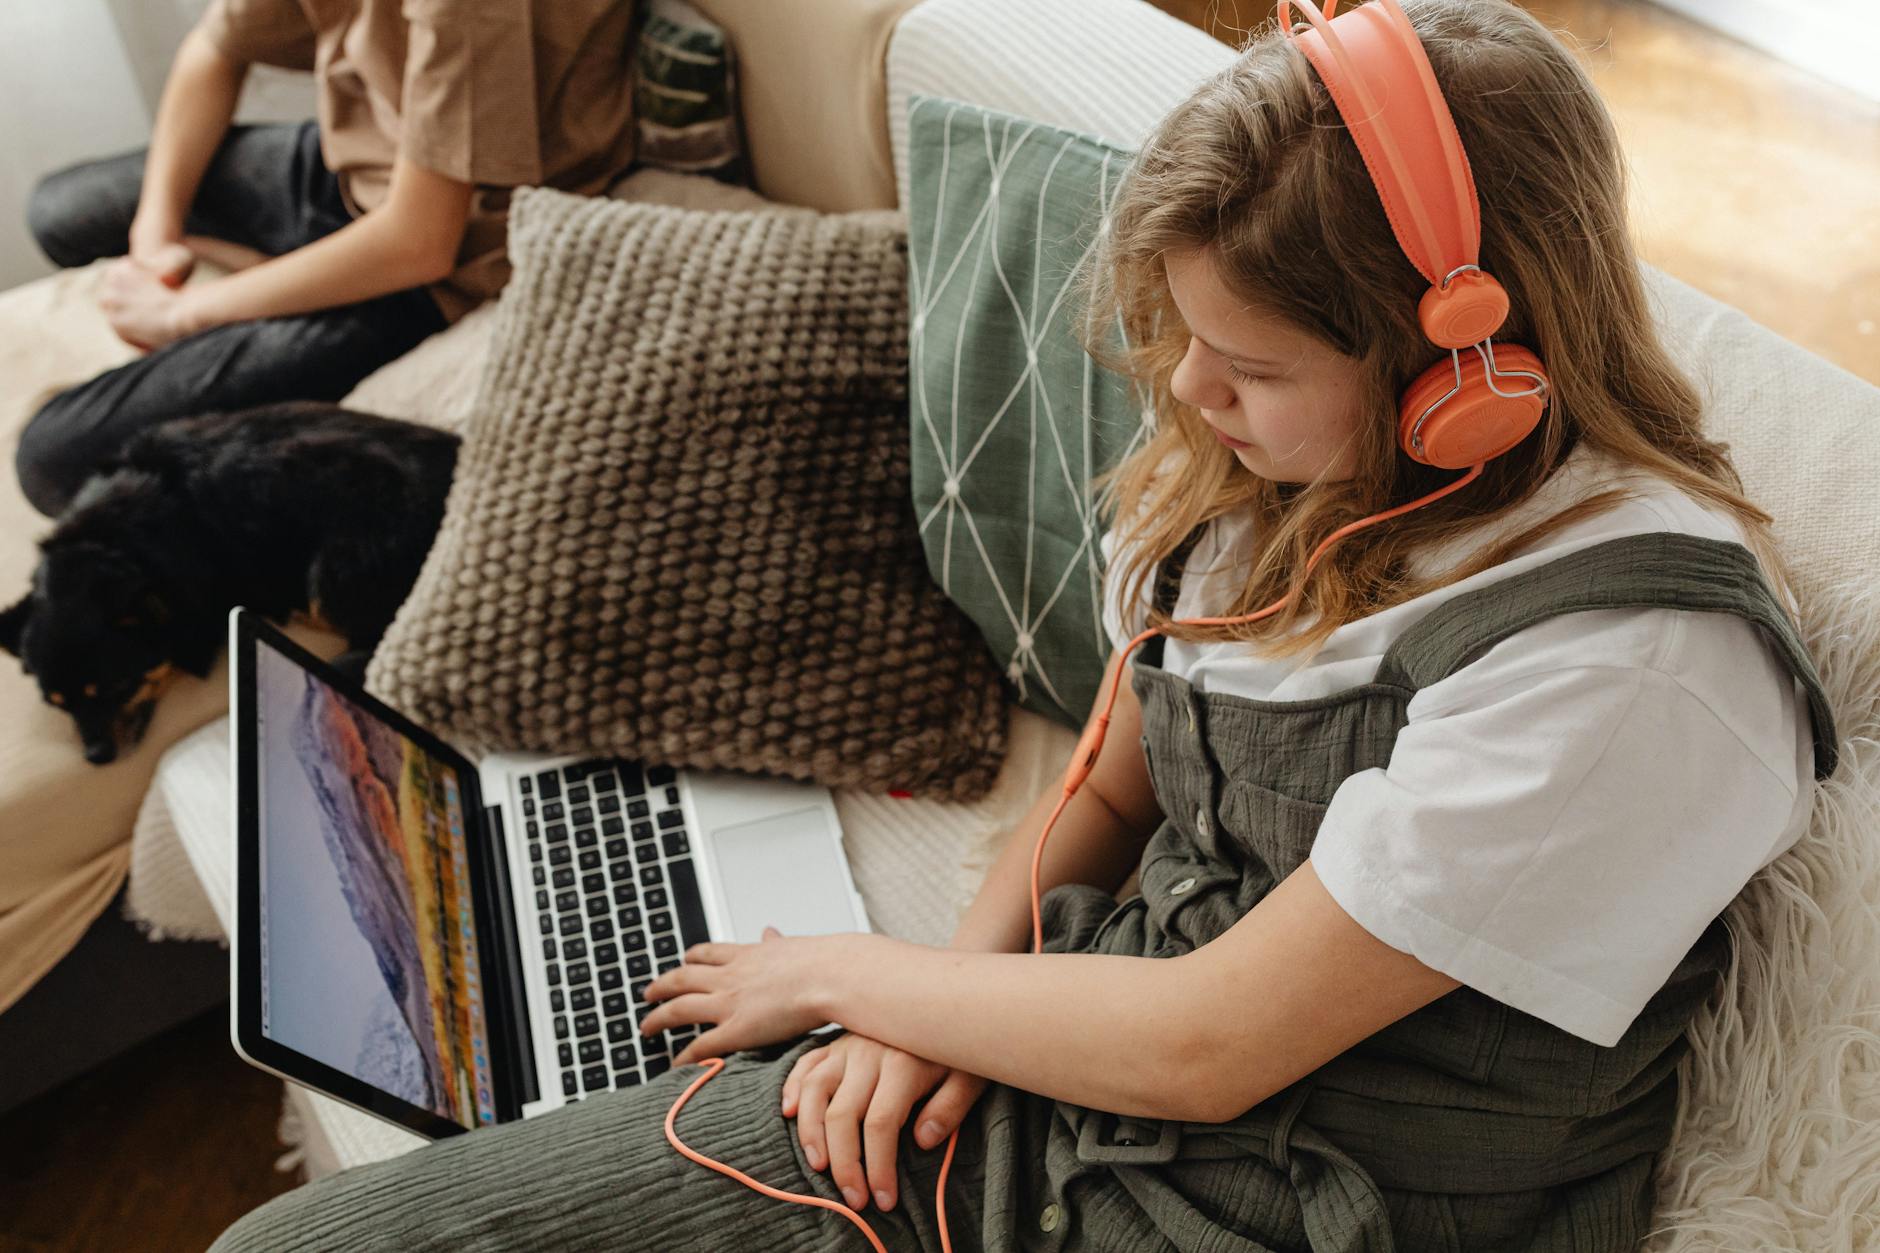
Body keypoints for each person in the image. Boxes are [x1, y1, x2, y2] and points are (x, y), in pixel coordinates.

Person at [209, 1, 1838, 1249]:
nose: (1193, 395)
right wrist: (947, 994)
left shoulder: (1632, 669)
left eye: (1251, 365)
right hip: (1106, 1064)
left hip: (1285, 1194)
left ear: (1468, 370)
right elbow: (1117, 787)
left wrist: (867, 983)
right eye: (1190, 340)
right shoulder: (1292, 474)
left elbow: (1212, 1046)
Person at [15, 0, 638, 519]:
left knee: (49, 460)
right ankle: (269, 272)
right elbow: (215, 49)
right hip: (360, 168)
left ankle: (279, 286)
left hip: (454, 248)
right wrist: (156, 234)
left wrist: (183, 315)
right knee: (58, 210)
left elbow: (420, 244)